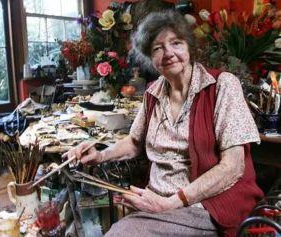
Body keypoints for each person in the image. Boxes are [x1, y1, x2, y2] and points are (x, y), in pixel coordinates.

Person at [63, 10, 263, 237]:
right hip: (157, 202)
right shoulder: (153, 93)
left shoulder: (222, 86)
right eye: (157, 48)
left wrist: (171, 203)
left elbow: (233, 166)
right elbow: (133, 141)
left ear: (189, 46)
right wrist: (100, 155)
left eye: (176, 43)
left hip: (204, 206)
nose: (168, 53)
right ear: (150, 58)